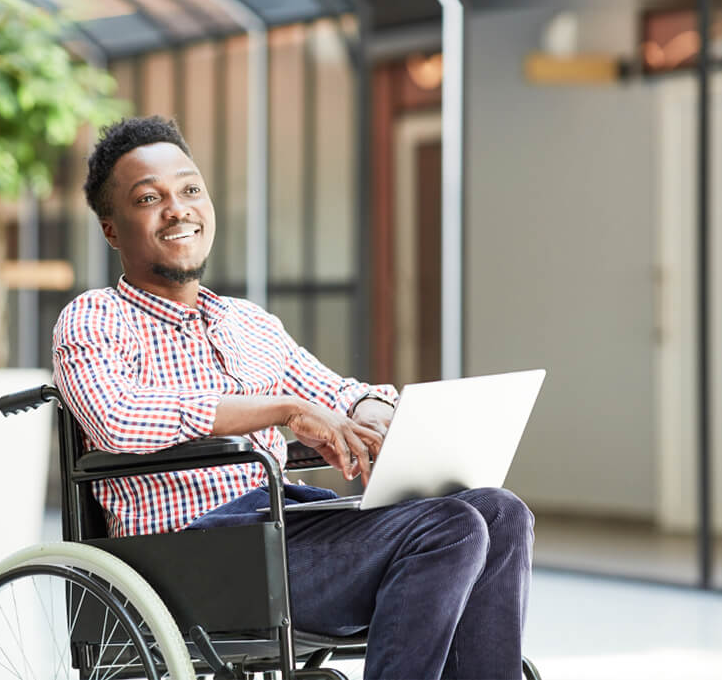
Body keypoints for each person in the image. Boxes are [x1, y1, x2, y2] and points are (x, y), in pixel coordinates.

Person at [53, 115, 534, 680]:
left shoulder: (250, 323)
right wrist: (283, 410)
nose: (177, 208)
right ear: (112, 230)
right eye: (149, 198)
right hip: (189, 555)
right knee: (449, 529)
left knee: (499, 512)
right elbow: (117, 421)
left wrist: (376, 416)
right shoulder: (94, 318)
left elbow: (335, 392)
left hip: (281, 526)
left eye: (189, 190)